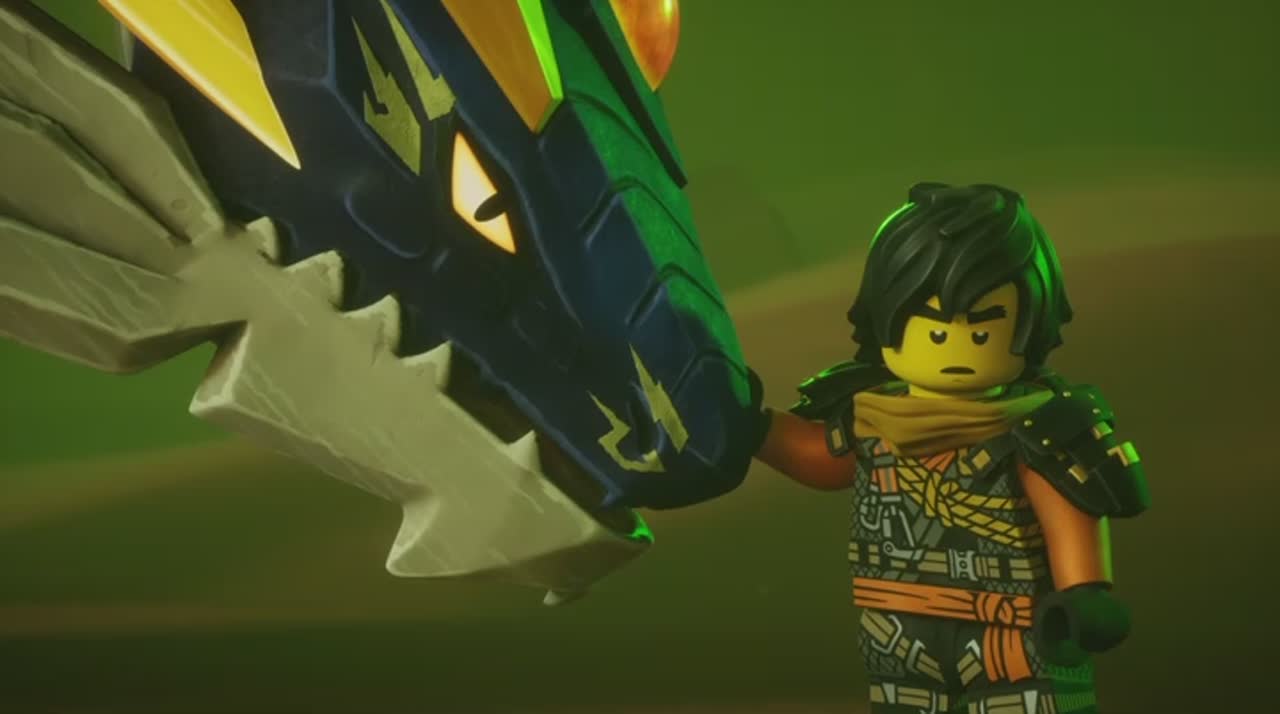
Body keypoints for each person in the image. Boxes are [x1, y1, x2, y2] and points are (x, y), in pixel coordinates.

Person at [752, 183, 1150, 714]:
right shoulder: (870, 416)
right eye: (936, 333)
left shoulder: (1038, 426)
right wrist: (755, 430)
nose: (956, 347)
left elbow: (1067, 508)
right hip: (897, 630)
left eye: (981, 333)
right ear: (885, 320)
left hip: (1012, 634)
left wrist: (1084, 593)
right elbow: (822, 457)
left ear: (1030, 325)